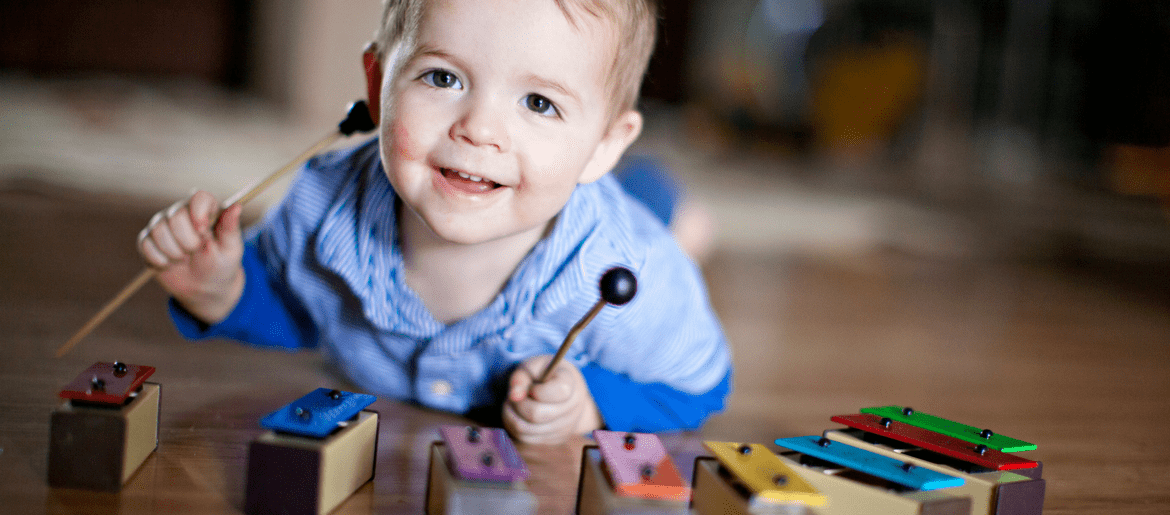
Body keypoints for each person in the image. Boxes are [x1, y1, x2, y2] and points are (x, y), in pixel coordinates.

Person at [138, 0, 731, 444]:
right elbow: (294, 310)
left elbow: (699, 384)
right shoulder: (324, 204)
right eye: (444, 78)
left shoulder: (631, 271)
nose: (479, 128)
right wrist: (221, 290)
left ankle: (664, 202)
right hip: (553, 184)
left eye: (539, 103)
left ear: (605, 143)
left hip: (623, 212)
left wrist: (593, 405)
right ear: (377, 85)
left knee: (657, 209)